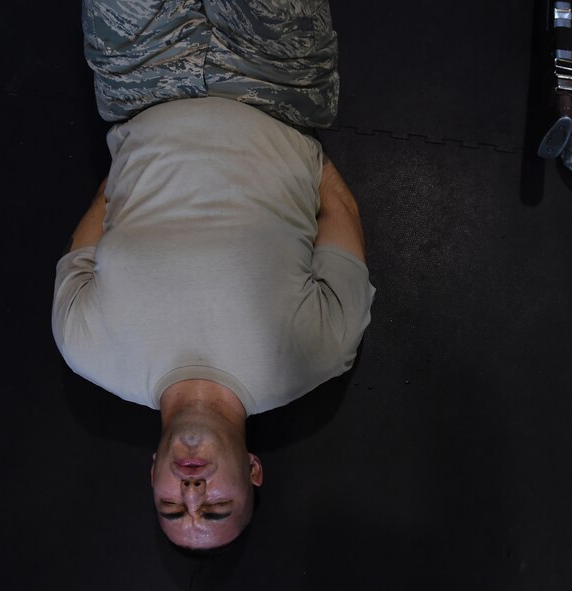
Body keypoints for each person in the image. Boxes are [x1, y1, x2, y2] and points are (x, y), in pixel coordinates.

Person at [52, 0, 375, 551]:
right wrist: (290, 146)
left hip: (139, 81)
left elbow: (92, 226)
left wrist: (140, 155)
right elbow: (340, 213)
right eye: (217, 504)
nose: (193, 490)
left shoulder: (87, 348)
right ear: (253, 471)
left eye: (171, 504)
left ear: (153, 470)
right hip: (275, 85)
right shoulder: (314, 356)